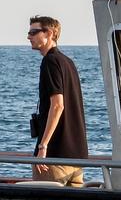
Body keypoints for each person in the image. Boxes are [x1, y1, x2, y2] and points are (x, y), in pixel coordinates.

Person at [28, 16, 88, 186]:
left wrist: (43, 146)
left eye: (34, 32)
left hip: (55, 155)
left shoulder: (50, 62)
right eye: (29, 32)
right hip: (77, 158)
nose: (29, 36)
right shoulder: (68, 63)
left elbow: (58, 105)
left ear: (50, 33)